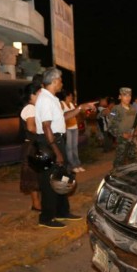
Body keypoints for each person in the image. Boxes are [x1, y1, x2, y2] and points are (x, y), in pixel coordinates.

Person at [34, 67, 95, 229]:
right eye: (60, 80)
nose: (62, 83)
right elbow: (46, 127)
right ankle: (46, 218)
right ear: (54, 81)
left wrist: (80, 109)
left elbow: (62, 118)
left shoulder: (52, 98)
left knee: (63, 177)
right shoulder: (45, 100)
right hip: (49, 142)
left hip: (56, 140)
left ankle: (62, 211)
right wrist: (56, 151)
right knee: (50, 181)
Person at [19, 81, 43, 212]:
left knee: (37, 175)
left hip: (34, 144)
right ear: (33, 94)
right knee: (33, 176)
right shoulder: (30, 108)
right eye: (39, 93)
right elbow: (31, 127)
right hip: (32, 146)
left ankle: (37, 202)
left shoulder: (33, 107)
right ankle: (36, 203)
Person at [110, 87, 137, 167]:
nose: (128, 98)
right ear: (120, 96)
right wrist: (122, 134)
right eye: (125, 95)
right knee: (119, 162)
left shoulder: (133, 109)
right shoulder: (115, 109)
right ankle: (115, 177)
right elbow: (111, 126)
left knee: (133, 160)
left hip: (132, 138)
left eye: (129, 95)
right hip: (122, 140)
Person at [59, 89, 84, 173]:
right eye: (71, 96)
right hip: (67, 128)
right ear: (67, 96)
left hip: (74, 127)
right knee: (69, 147)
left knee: (75, 146)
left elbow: (76, 114)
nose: (72, 97)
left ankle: (78, 164)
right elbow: (62, 116)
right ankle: (72, 165)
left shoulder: (71, 104)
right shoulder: (61, 104)